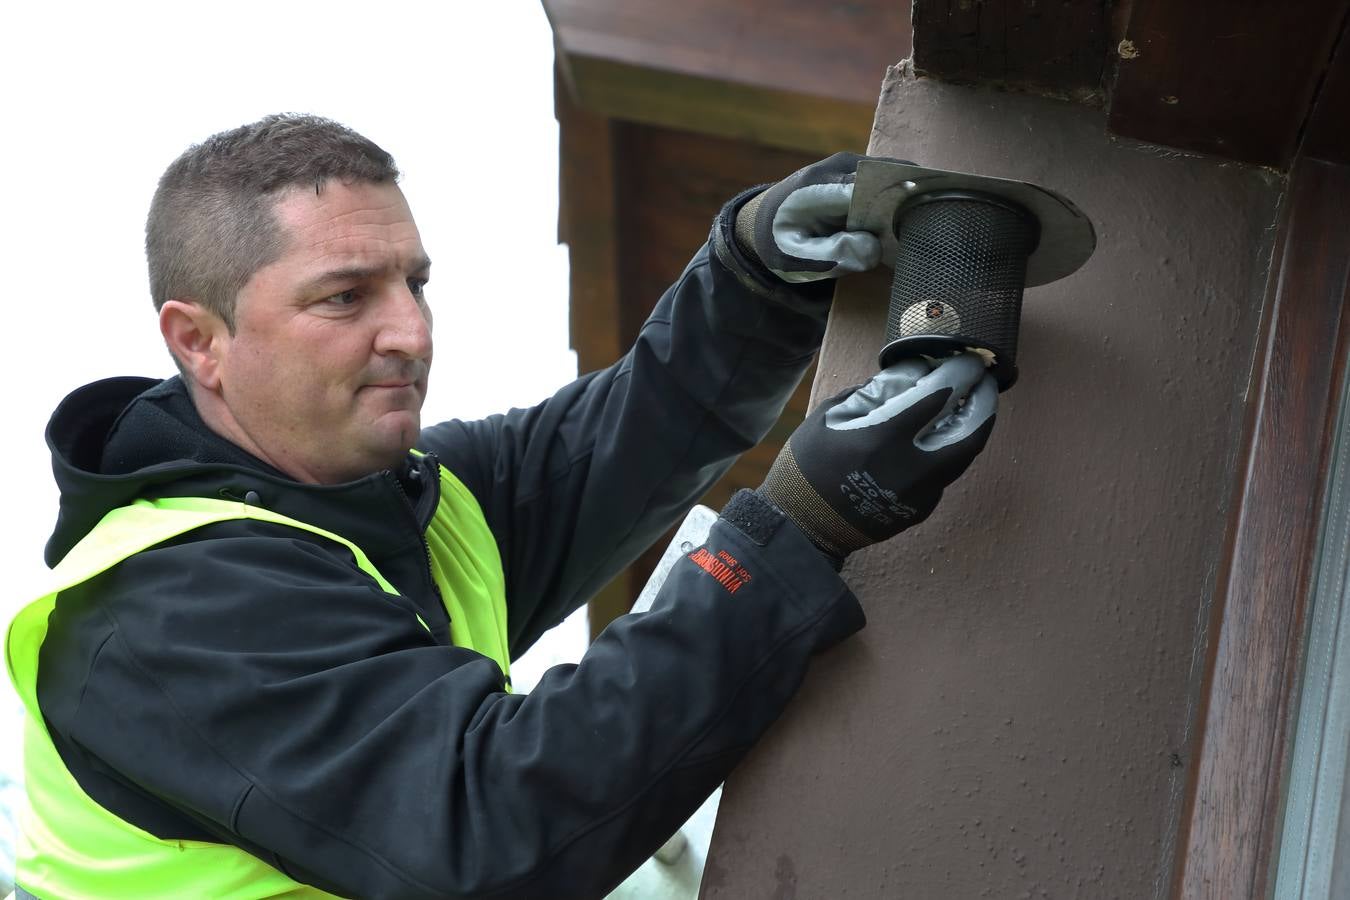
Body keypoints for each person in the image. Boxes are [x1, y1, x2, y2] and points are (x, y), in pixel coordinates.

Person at [5, 115, 998, 899]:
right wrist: (795, 532)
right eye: (346, 297)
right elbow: (487, 837)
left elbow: (637, 431)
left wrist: (756, 270)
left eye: (415, 282)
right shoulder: (166, 610)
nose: (410, 331)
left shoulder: (403, 502)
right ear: (199, 342)